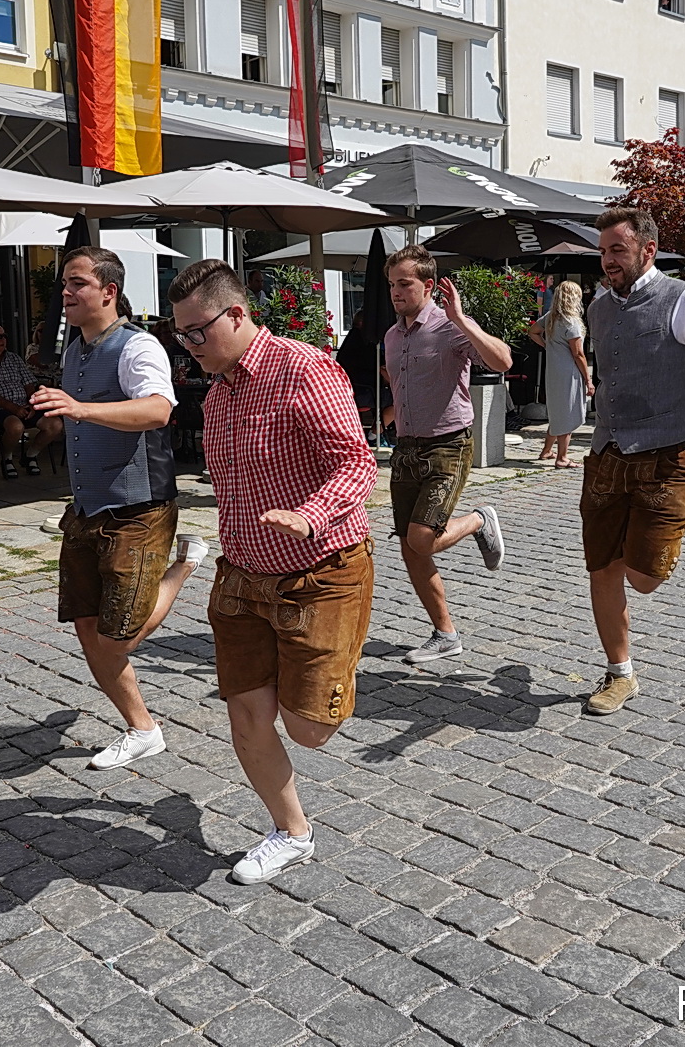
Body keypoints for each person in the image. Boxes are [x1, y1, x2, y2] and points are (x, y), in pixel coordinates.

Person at [169, 259, 377, 884]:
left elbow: (356, 463)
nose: (187, 345)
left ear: (235, 314)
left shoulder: (303, 368)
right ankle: (292, 832)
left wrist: (311, 515)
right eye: (179, 335)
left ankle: (333, 661)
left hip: (320, 570)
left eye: (195, 332)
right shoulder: (218, 394)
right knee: (246, 713)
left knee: (309, 728)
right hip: (241, 577)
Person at [27, 247, 207, 771]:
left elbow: (158, 409)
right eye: (65, 282)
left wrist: (80, 408)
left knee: (118, 635)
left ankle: (185, 565)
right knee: (88, 628)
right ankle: (143, 728)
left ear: (108, 291)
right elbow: (81, 416)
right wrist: (52, 422)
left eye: (77, 283)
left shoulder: (138, 346)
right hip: (86, 507)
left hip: (138, 507)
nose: (66, 292)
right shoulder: (75, 350)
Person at [581, 208, 685, 716]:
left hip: (667, 456)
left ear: (647, 250)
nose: (607, 259)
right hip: (608, 452)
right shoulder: (598, 306)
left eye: (617, 249)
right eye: (603, 249)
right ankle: (620, 673)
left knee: (644, 577)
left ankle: (661, 540)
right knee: (602, 568)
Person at [382, 245, 511, 665]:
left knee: (422, 537)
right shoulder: (392, 335)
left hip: (448, 444)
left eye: (405, 284)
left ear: (430, 286)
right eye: (391, 285)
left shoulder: (450, 326)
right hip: (406, 446)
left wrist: (460, 319)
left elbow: (503, 360)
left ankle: (478, 520)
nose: (396, 292)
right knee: (409, 546)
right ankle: (445, 634)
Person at [0, 322, 48, 479]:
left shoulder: (14, 358)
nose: (3, 339)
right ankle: (7, 459)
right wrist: (14, 408)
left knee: (54, 424)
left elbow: (28, 383)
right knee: (15, 427)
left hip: (23, 405)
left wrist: (32, 404)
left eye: (4, 336)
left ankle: (30, 455)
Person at [528, 279, 591, 466]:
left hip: (553, 370)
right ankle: (562, 458)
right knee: (568, 413)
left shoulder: (550, 317)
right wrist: (588, 380)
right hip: (568, 371)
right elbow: (578, 353)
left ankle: (547, 450)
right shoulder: (572, 322)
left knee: (557, 410)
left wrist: (547, 346)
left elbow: (532, 331)